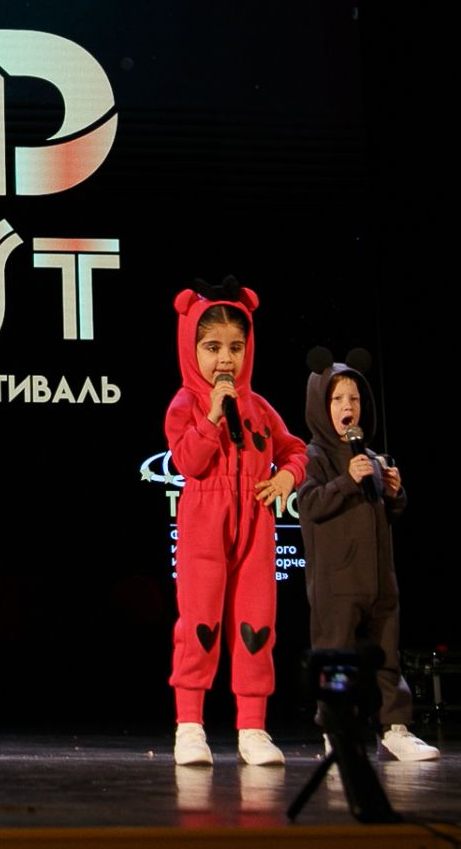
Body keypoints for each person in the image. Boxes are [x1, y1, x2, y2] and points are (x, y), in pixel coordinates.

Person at [165, 279, 305, 766]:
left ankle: (253, 729)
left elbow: (295, 450)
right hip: (204, 520)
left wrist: (287, 476)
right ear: (191, 348)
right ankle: (190, 726)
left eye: (235, 347)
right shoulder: (184, 404)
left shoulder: (259, 407)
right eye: (212, 348)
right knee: (200, 623)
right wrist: (210, 417)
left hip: (256, 525)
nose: (225, 359)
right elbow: (188, 461)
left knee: (256, 624)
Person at [296, 348, 438, 762]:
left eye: (355, 399)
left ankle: (395, 729)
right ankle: (337, 730)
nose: (348, 406)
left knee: (387, 657)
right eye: (338, 399)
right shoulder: (313, 457)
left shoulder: (372, 458)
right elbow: (310, 505)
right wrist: (345, 480)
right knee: (336, 659)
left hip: (379, 580)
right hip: (337, 584)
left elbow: (385, 514)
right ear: (321, 406)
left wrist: (395, 493)